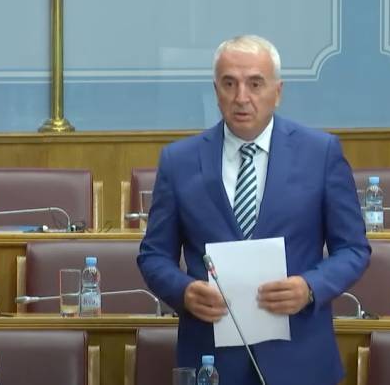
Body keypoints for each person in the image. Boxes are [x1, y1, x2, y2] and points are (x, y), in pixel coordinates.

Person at [138, 35, 370, 385]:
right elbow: (154, 255)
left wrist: (309, 287)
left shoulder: (320, 153)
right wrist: (184, 291)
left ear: (278, 91)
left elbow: (353, 248)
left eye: (255, 84)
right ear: (216, 91)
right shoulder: (179, 161)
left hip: (300, 358)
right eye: (229, 83)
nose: (241, 97)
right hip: (211, 360)